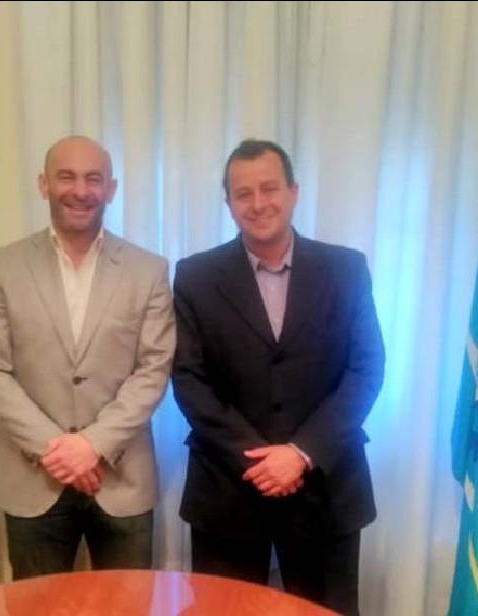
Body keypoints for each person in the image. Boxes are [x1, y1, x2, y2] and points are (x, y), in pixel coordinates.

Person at [171, 139, 385, 615]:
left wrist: (300, 453)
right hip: (227, 489)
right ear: (228, 203)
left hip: (325, 486)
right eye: (242, 193)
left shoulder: (346, 269)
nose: (258, 203)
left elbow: (366, 369)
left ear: (293, 191)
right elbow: (188, 379)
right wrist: (260, 462)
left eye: (269, 188)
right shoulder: (195, 276)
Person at [0, 135, 176, 579]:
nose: (80, 190)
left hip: (123, 480)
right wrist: (58, 450)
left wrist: (92, 446)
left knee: (126, 609)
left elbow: (154, 369)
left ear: (111, 189)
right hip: (32, 480)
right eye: (66, 177)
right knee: (38, 608)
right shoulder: (1, 268)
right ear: (43, 184)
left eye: (93, 179)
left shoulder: (149, 271)